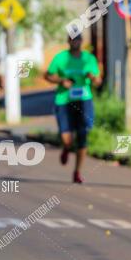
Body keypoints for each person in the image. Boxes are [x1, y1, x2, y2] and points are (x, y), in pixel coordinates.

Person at [44, 34, 102, 184]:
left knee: (82, 136)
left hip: (84, 101)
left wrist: (93, 77)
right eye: (72, 39)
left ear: (81, 41)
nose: (75, 41)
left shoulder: (89, 59)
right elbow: (48, 75)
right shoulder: (60, 58)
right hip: (64, 101)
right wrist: (62, 80)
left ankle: (77, 172)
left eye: (78, 39)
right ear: (68, 41)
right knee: (67, 139)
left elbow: (98, 81)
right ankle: (66, 148)